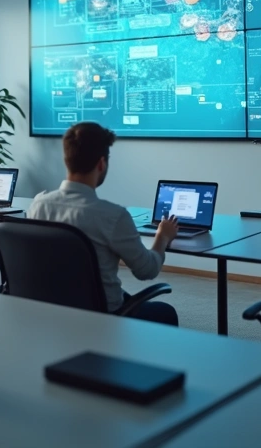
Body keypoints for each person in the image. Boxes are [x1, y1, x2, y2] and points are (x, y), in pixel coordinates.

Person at [26, 122, 180, 326]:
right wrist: (163, 236)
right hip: (101, 316)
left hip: (51, 310)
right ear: (101, 164)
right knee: (167, 313)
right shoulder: (113, 216)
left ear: (66, 160)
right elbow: (147, 270)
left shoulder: (38, 205)